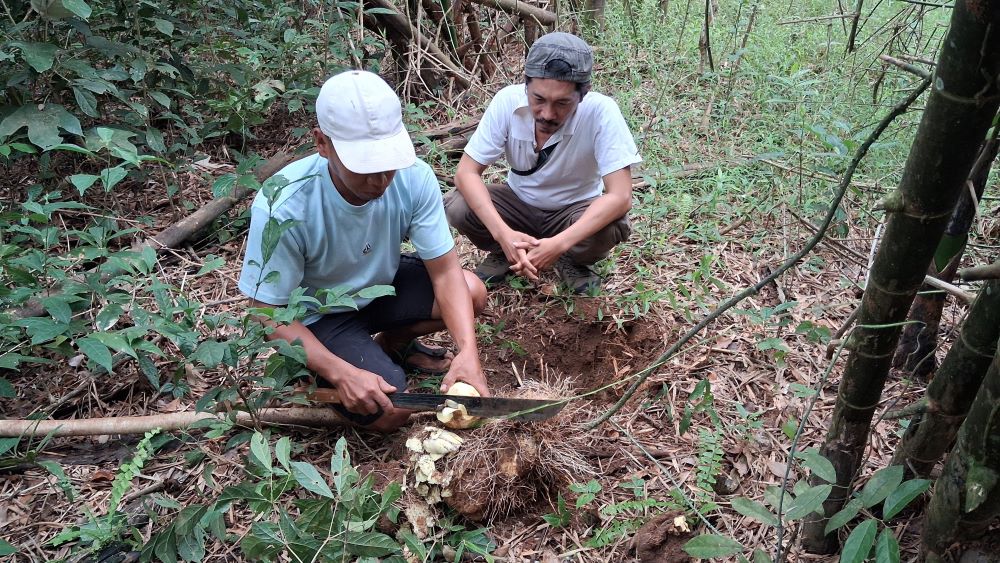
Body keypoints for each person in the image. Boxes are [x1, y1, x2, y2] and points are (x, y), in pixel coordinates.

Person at [238, 70, 489, 433]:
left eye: (387, 164)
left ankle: (392, 345)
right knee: (391, 410)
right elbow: (265, 311)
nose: (380, 180)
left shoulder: (414, 178)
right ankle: (313, 375)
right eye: (364, 167)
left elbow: (447, 273)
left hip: (378, 289)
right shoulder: (285, 204)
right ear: (322, 143)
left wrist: (468, 351)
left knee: (472, 291)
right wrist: (341, 373)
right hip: (319, 317)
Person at [445, 32, 642, 294]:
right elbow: (466, 173)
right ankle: (506, 250)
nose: (547, 114)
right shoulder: (507, 101)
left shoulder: (601, 112)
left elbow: (621, 196)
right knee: (458, 205)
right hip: (518, 205)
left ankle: (571, 259)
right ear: (526, 85)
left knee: (610, 224)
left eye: (562, 103)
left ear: (583, 94)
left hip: (573, 211)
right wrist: (503, 234)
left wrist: (560, 244)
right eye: (538, 99)